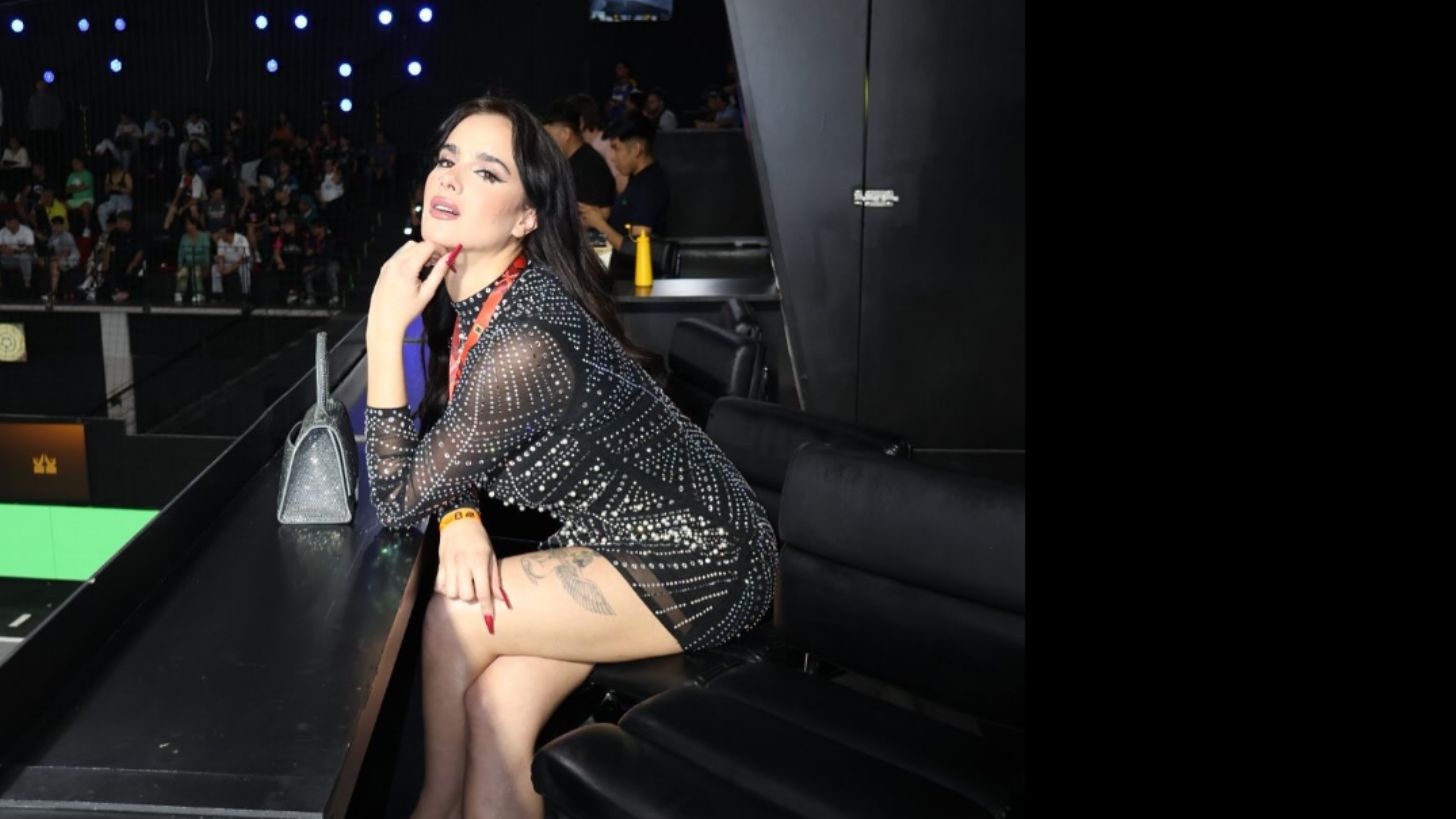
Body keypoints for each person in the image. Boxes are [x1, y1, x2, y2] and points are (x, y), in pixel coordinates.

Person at [364, 95, 775, 819]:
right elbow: (455, 448)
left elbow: (397, 496)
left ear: (526, 217)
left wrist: (380, 328)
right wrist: (459, 513)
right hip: (621, 539)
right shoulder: (491, 298)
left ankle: (434, 807)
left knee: (453, 616)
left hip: (702, 554)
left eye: (486, 172)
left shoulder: (522, 342)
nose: (450, 179)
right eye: (447, 160)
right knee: (496, 706)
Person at [580, 114, 670, 278]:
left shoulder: (650, 186)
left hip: (633, 280)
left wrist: (599, 224)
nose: (612, 157)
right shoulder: (637, 179)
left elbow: (638, 249)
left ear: (636, 149)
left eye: (616, 148)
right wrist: (596, 217)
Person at [540, 101, 616, 210]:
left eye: (549, 136)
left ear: (566, 134)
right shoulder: (570, 163)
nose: (546, 143)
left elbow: (586, 215)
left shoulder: (590, 168)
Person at [106, 211, 145, 302]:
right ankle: (114, 292)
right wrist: (106, 260)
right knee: (111, 268)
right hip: (118, 261)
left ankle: (127, 293)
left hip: (132, 262)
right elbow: (108, 247)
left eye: (120, 221)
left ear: (127, 222)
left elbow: (140, 251)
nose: (117, 223)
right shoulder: (115, 232)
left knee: (132, 270)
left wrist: (133, 264)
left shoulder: (136, 232)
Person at [44, 215, 81, 304]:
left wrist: (50, 259)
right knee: (48, 263)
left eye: (58, 225)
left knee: (54, 264)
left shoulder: (67, 236)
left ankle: (53, 292)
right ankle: (52, 291)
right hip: (60, 258)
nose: (56, 228)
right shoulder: (53, 236)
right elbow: (48, 248)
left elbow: (65, 253)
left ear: (62, 226)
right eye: (54, 225)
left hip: (72, 259)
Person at [211, 222, 252, 302]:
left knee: (244, 270)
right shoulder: (221, 241)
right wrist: (221, 267)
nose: (220, 235)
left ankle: (246, 294)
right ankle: (218, 294)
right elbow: (221, 256)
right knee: (215, 268)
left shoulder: (242, 239)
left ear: (229, 234)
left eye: (222, 233)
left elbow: (245, 257)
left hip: (241, 262)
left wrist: (231, 268)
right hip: (227, 262)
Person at [175, 216, 212, 304]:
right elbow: (180, 253)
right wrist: (179, 265)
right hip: (187, 263)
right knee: (182, 271)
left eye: (189, 224)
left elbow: (206, 253)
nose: (187, 226)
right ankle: (180, 292)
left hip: (200, 263)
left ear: (195, 225)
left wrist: (206, 267)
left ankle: (198, 293)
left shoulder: (203, 237)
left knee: (196, 270)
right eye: (186, 225)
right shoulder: (184, 237)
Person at [0, 214, 37, 296]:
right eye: (6, 222)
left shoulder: (26, 231)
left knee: (24, 257)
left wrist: (14, 251)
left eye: (9, 222)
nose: (6, 224)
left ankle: (27, 283)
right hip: (9, 258)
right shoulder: (2, 231)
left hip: (26, 257)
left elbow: (31, 250)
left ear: (16, 222)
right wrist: (3, 249)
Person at [96, 160, 134, 230]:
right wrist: (108, 188)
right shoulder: (109, 174)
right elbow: (106, 190)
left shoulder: (126, 175)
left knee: (122, 216)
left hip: (124, 198)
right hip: (112, 198)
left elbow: (130, 191)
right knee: (101, 210)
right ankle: (105, 231)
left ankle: (115, 227)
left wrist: (118, 188)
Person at [63, 156, 96, 235]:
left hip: (87, 199)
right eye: (73, 164)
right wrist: (78, 187)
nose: (74, 166)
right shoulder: (71, 175)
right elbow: (67, 190)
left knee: (85, 207)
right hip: (75, 200)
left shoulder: (87, 174)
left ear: (82, 164)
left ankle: (87, 228)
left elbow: (83, 188)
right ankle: (65, 227)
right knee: (61, 204)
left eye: (76, 163)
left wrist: (73, 187)